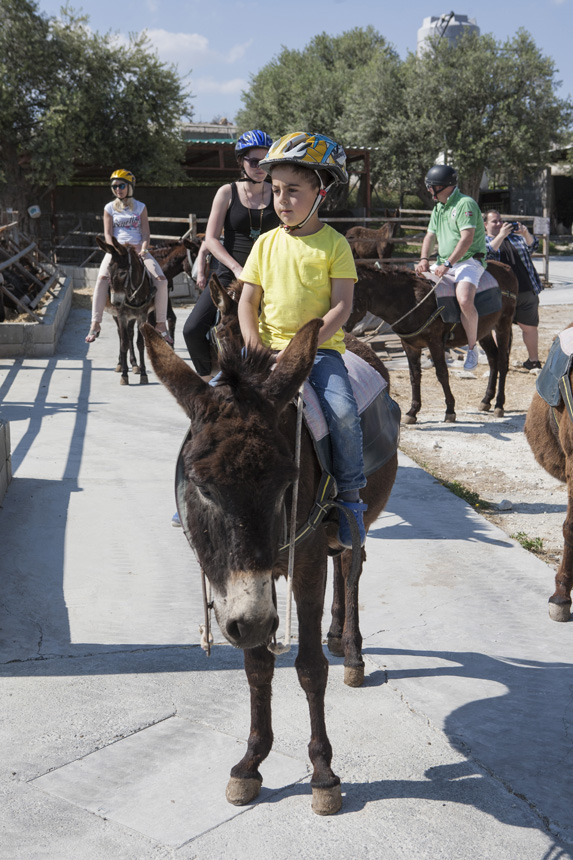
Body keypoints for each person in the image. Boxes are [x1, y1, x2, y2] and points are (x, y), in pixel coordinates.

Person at [238, 131, 366, 549]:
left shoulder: (335, 245)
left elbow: (341, 308)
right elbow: (247, 302)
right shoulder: (263, 244)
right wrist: (254, 345)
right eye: (275, 190)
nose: (281, 200)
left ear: (321, 192)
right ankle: (204, 485)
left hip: (319, 353)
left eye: (293, 191)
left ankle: (349, 498)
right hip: (264, 352)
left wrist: (302, 350)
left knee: (344, 412)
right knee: (215, 406)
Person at [182, 130, 279, 380]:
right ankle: (207, 380)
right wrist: (237, 269)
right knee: (192, 330)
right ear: (241, 162)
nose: (260, 167)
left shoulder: (278, 193)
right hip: (229, 274)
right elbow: (211, 238)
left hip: (268, 277)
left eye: (265, 160)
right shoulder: (227, 192)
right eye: (253, 161)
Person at [85, 170, 171, 344]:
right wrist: (113, 250)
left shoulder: (141, 207)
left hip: (138, 249)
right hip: (117, 251)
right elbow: (108, 234)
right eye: (115, 186)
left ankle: (161, 323)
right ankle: (95, 323)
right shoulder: (109, 208)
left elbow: (146, 233)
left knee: (162, 281)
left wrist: (145, 249)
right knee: (101, 279)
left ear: (130, 186)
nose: (118, 189)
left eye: (121, 185)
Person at [415, 165, 487, 371]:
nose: (429, 191)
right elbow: (429, 236)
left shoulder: (466, 204)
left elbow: (467, 239)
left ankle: (472, 348)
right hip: (445, 260)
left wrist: (447, 264)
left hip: (469, 261)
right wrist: (423, 259)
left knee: (464, 299)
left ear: (442, 186)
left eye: (431, 187)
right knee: (418, 289)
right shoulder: (438, 207)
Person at [484, 210, 543, 370]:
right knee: (501, 328)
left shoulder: (516, 238)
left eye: (500, 221)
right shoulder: (482, 240)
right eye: (494, 221)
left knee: (529, 327)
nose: (499, 224)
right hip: (500, 294)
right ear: (485, 225)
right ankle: (502, 362)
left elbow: (534, 247)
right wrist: (501, 235)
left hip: (526, 290)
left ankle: (533, 361)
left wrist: (526, 233)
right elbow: (486, 253)